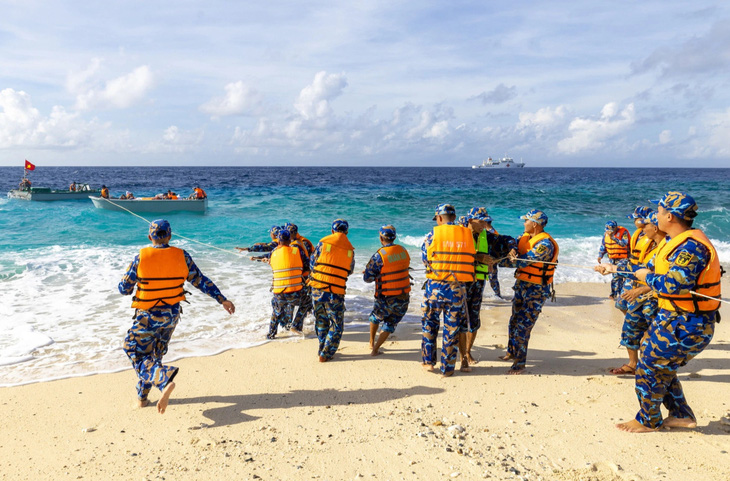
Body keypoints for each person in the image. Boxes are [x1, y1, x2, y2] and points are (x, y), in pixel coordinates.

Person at [615, 192, 721, 433]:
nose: (656, 215)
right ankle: (681, 415)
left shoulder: (692, 247)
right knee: (661, 366)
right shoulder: (672, 241)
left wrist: (646, 277)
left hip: (689, 323)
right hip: (672, 318)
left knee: (648, 368)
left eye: (660, 211)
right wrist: (613, 268)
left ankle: (647, 420)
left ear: (670, 216)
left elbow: (675, 284)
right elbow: (648, 267)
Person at [118, 219, 235, 413]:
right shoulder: (182, 256)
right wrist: (222, 299)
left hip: (148, 316)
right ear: (170, 236)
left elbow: (124, 289)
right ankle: (142, 399)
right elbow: (200, 280)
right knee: (153, 357)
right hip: (171, 317)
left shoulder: (141, 257)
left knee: (133, 349)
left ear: (150, 237)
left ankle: (164, 381)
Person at [595, 211, 664, 375]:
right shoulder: (646, 242)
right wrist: (612, 268)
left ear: (655, 227)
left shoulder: (668, 249)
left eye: (646, 224)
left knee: (654, 335)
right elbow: (635, 265)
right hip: (638, 292)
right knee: (630, 329)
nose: (641, 227)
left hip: (654, 297)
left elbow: (668, 280)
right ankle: (633, 364)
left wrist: (641, 289)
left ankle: (652, 368)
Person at [499, 209, 559, 375]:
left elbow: (523, 262)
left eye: (526, 221)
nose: (524, 223)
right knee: (514, 320)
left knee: (523, 326)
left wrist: (499, 263)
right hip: (521, 285)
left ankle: (520, 363)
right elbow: (513, 246)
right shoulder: (524, 237)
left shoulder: (544, 244)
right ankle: (511, 352)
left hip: (536, 290)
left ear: (534, 224)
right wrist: (510, 250)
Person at [420, 204, 475, 377]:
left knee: (430, 324)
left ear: (439, 218)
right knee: (452, 329)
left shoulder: (432, 235)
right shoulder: (468, 235)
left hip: (435, 287)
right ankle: (448, 368)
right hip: (457, 289)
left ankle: (429, 362)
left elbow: (425, 260)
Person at [460, 207, 517, 368]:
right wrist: (477, 257)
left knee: (474, 318)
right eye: (481, 221)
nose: (485, 224)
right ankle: (459, 352)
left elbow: (508, 239)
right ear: (470, 220)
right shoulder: (459, 235)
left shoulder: (487, 236)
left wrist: (513, 248)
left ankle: (467, 351)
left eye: (486, 221)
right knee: (458, 318)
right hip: (460, 282)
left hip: (478, 282)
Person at [308, 219, 355, 362]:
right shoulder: (350, 250)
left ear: (332, 231)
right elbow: (350, 270)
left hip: (317, 288)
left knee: (321, 320)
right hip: (336, 291)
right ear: (346, 232)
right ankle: (326, 354)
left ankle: (321, 348)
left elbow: (312, 263)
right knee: (336, 324)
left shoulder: (323, 243)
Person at [363, 225, 411, 356]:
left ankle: (372, 342)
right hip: (403, 295)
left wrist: (369, 272)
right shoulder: (403, 250)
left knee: (375, 317)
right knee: (391, 323)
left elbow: (367, 278)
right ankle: (376, 349)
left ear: (380, 238)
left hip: (385, 297)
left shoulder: (379, 256)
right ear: (394, 237)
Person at [267, 229, 308, 339]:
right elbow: (307, 266)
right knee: (308, 301)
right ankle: (296, 325)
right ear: (290, 240)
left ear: (278, 241)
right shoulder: (297, 250)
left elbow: (273, 266)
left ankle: (271, 334)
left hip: (279, 293)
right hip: (296, 293)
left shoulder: (273, 253)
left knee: (276, 309)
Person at [286, 223, 314, 333]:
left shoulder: (299, 244)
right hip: (300, 276)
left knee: (303, 301)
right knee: (304, 302)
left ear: (294, 233)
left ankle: (294, 326)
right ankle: (294, 326)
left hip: (303, 276)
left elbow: (306, 261)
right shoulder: (296, 243)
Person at [598, 220, 630, 303]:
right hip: (612, 258)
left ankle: (619, 294)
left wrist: (613, 237)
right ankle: (615, 294)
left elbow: (624, 243)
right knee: (615, 276)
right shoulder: (606, 234)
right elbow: (603, 245)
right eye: (607, 230)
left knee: (618, 275)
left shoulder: (624, 232)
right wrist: (600, 255)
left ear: (616, 228)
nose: (609, 232)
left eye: (611, 230)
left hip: (624, 258)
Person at [484, 215, 503, 299]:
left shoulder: (489, 233)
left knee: (490, 277)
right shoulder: (494, 232)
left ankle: (497, 295)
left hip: (490, 259)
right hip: (493, 258)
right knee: (493, 278)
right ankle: (498, 294)